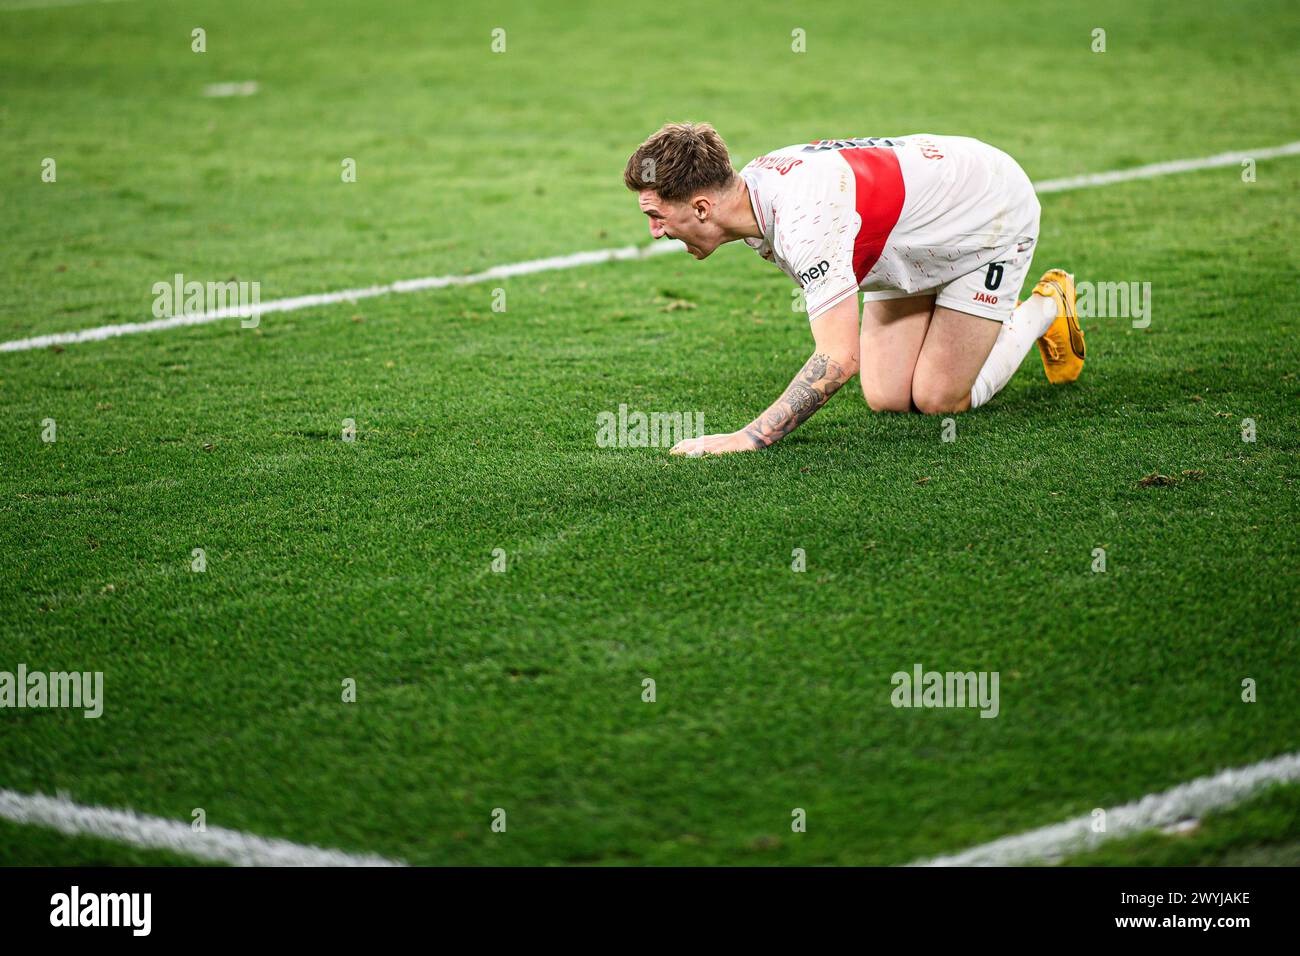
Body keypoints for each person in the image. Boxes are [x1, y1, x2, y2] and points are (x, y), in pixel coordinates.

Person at [622, 123, 1086, 456]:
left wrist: (747, 438)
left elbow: (837, 358)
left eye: (657, 216)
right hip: (910, 234)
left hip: (988, 215)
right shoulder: (750, 192)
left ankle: (1045, 306)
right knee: (887, 398)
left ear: (702, 208)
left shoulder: (804, 219)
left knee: (939, 400)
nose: (655, 232)